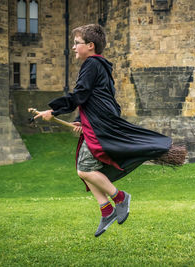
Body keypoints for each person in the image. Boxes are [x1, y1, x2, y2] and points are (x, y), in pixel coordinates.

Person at [35, 24, 171, 237]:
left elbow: (80, 95)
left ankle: (119, 198)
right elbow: (95, 97)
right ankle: (106, 211)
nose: (73, 47)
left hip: (100, 126)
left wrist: (53, 111)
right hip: (96, 123)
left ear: (90, 46)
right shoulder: (100, 66)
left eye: (77, 43)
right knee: (84, 170)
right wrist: (81, 119)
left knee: (85, 170)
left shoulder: (91, 64)